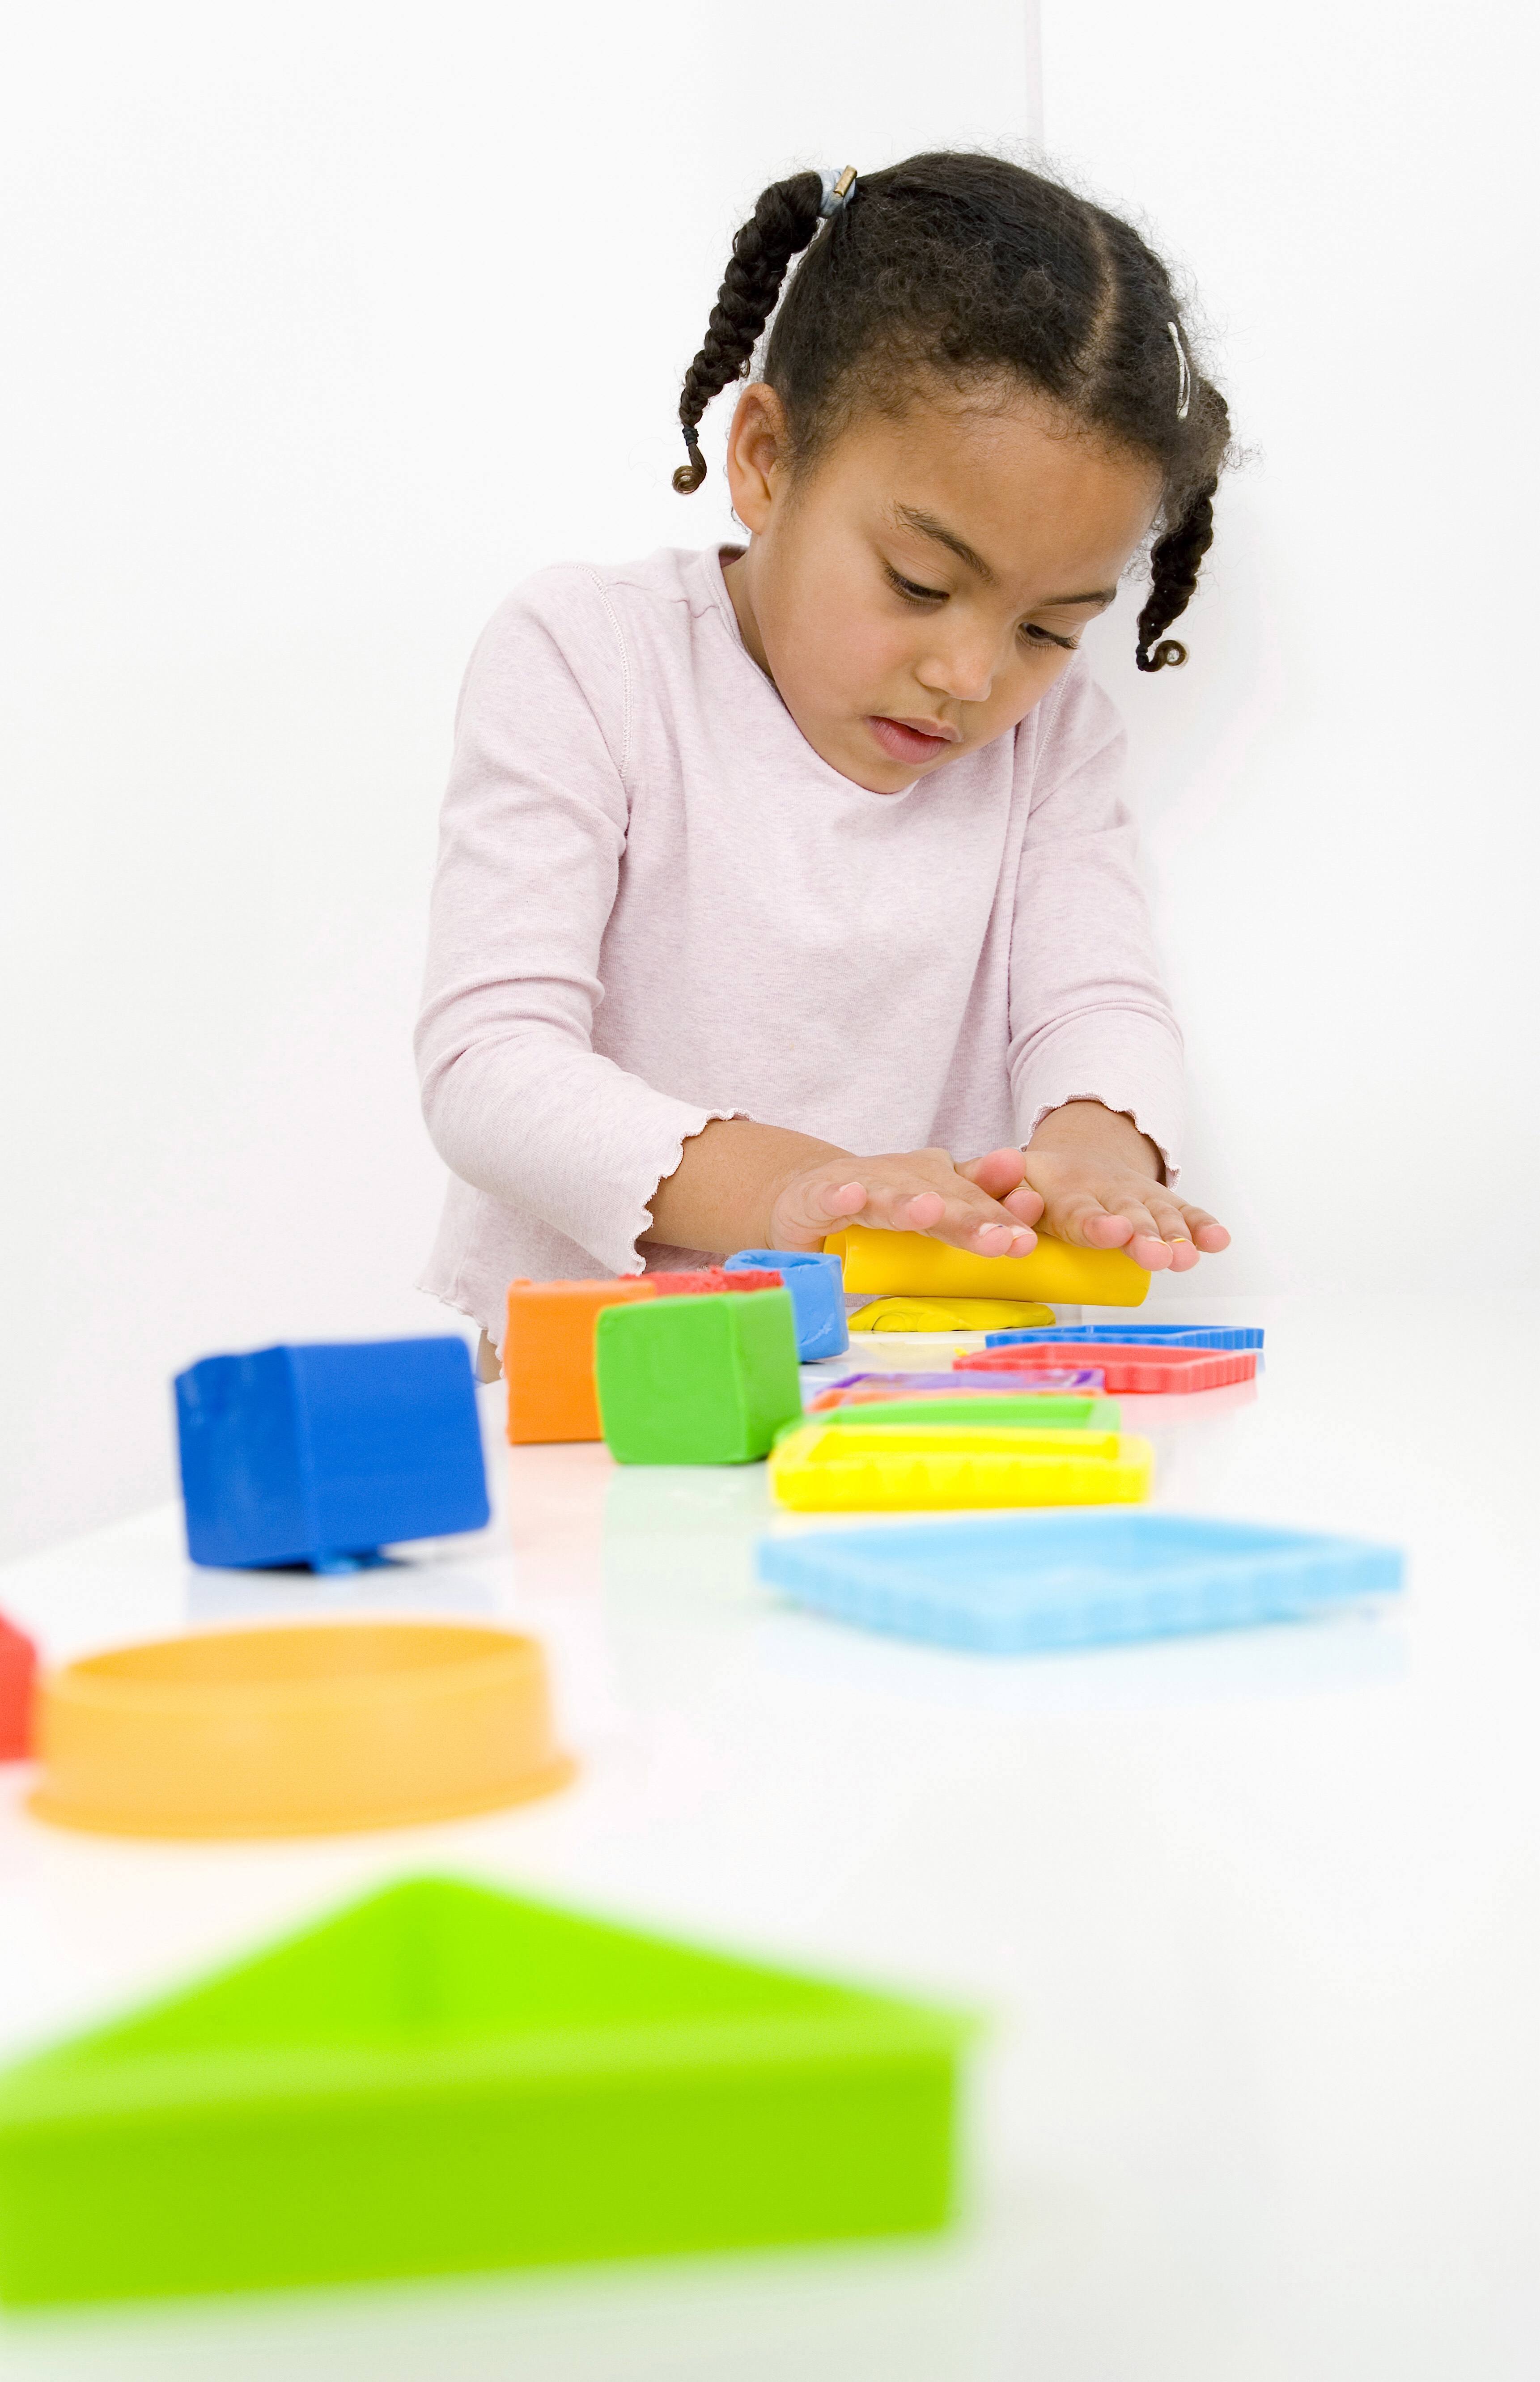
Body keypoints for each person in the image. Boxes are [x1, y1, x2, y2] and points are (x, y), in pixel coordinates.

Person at [415, 152, 1232, 1364]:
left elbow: (1095, 1000)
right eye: (919, 583)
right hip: (607, 1376)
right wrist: (799, 1195)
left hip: (909, 1366)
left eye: (1047, 628)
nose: (970, 674)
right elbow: (490, 1065)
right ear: (761, 457)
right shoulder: (589, 656)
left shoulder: (1050, 740)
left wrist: (1093, 1158)